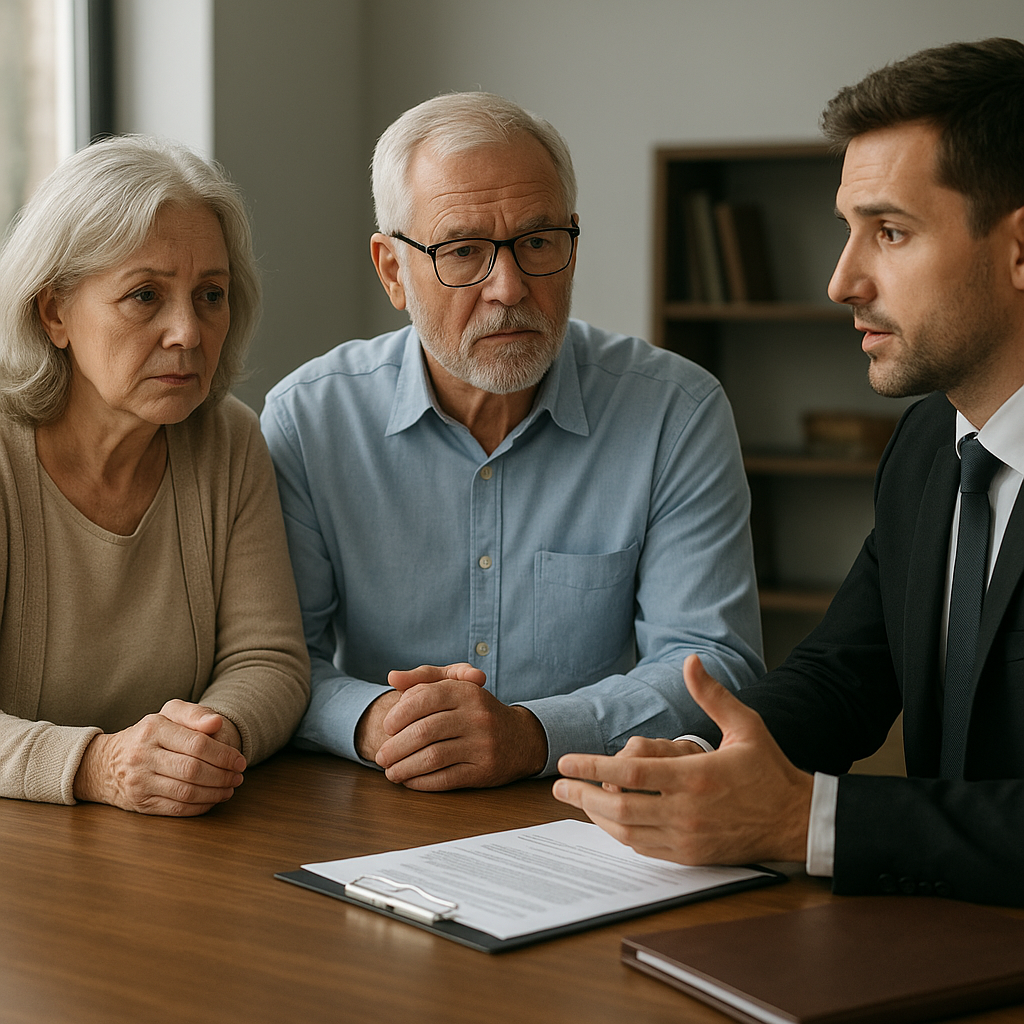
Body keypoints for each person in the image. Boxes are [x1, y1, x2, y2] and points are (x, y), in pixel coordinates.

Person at [554, 38, 1024, 907]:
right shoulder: (929, 444)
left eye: (890, 231)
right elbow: (846, 673)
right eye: (849, 231)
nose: (842, 278)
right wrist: (711, 764)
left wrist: (805, 821)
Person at [262, 92, 763, 791]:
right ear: (391, 271)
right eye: (462, 251)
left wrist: (531, 733)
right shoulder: (310, 421)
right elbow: (278, 660)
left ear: (573, 240)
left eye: (537, 243)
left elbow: (712, 664)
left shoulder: (675, 411)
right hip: (382, 803)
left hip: (591, 809)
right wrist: (378, 719)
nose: (509, 287)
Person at [0, 135, 310, 816]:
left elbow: (271, 662)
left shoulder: (229, 438)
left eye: (210, 296)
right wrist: (98, 766)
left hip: (173, 843)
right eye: (145, 296)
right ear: (55, 313)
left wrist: (205, 741)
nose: (189, 333)